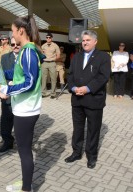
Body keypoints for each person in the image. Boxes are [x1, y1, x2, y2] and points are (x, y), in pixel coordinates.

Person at [0, 15, 45, 192]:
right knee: (24, 149)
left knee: (24, 151)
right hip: (24, 108)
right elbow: (17, 74)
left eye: (13, 31)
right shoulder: (25, 50)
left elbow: (30, 82)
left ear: (21, 31)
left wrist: (7, 91)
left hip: (26, 109)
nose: (12, 35)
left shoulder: (29, 51)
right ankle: (26, 183)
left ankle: (26, 189)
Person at [65, 30, 111, 169]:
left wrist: (87, 88)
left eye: (88, 40)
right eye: (83, 40)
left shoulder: (103, 57)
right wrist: (73, 88)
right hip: (77, 99)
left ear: (95, 41)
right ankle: (76, 152)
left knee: (93, 130)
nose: (84, 42)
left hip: (93, 99)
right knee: (77, 128)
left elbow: (103, 77)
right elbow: (70, 75)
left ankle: (91, 156)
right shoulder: (77, 56)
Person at [0, 37, 20, 153]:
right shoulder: (5, 57)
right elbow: (0, 75)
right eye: (13, 44)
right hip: (7, 93)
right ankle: (7, 142)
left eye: (18, 44)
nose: (15, 46)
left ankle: (22, 143)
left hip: (22, 95)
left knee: (20, 121)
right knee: (6, 119)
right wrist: (6, 86)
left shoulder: (26, 57)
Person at [41, 32, 60, 99]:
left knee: (53, 78)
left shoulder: (55, 45)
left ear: (51, 38)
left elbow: (58, 55)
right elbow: (41, 54)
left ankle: (53, 94)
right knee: (43, 79)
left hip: (52, 63)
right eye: (47, 37)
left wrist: (53, 59)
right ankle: (43, 93)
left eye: (49, 37)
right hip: (44, 63)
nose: (48, 39)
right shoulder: (43, 46)